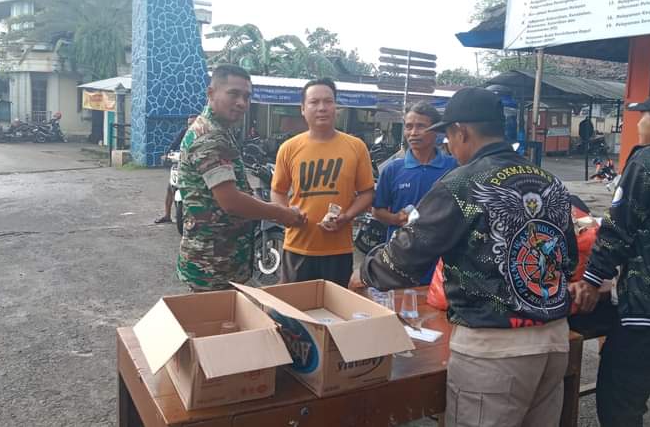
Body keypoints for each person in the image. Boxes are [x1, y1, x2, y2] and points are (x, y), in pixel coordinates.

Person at [349, 87, 577, 427]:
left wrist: (364, 273)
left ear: (462, 131)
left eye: (448, 136)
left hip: (495, 352)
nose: (448, 146)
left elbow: (407, 255)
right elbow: (568, 259)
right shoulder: (550, 182)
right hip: (554, 342)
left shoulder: (463, 183)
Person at [570, 89, 650, 426]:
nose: (639, 126)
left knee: (620, 401)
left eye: (644, 118)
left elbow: (618, 227)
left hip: (648, 314)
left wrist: (592, 279)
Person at [177, 64, 306, 291]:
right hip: (213, 265)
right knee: (216, 323)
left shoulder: (220, 130)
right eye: (233, 94)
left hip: (223, 258)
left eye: (246, 96)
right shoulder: (210, 137)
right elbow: (231, 202)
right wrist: (281, 213)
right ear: (211, 93)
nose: (241, 103)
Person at [271, 78, 375, 286]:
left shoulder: (356, 147)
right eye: (314, 102)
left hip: (338, 250)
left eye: (328, 101)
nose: (322, 108)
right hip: (298, 246)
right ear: (302, 108)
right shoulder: (289, 148)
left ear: (336, 107)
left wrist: (346, 217)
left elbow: (367, 193)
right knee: (294, 312)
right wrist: (287, 214)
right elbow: (278, 191)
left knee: (335, 313)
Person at [372, 102, 456, 284]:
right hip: (401, 257)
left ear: (436, 131)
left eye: (421, 126)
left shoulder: (453, 167)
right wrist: (396, 219)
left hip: (442, 261)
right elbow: (377, 211)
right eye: (409, 127)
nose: (413, 133)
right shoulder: (393, 169)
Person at [155, 114, 198, 224]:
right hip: (183, 165)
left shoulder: (203, 134)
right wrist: (167, 154)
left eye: (193, 123)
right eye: (189, 124)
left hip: (198, 168)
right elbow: (175, 144)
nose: (190, 126)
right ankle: (167, 215)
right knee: (170, 188)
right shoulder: (184, 132)